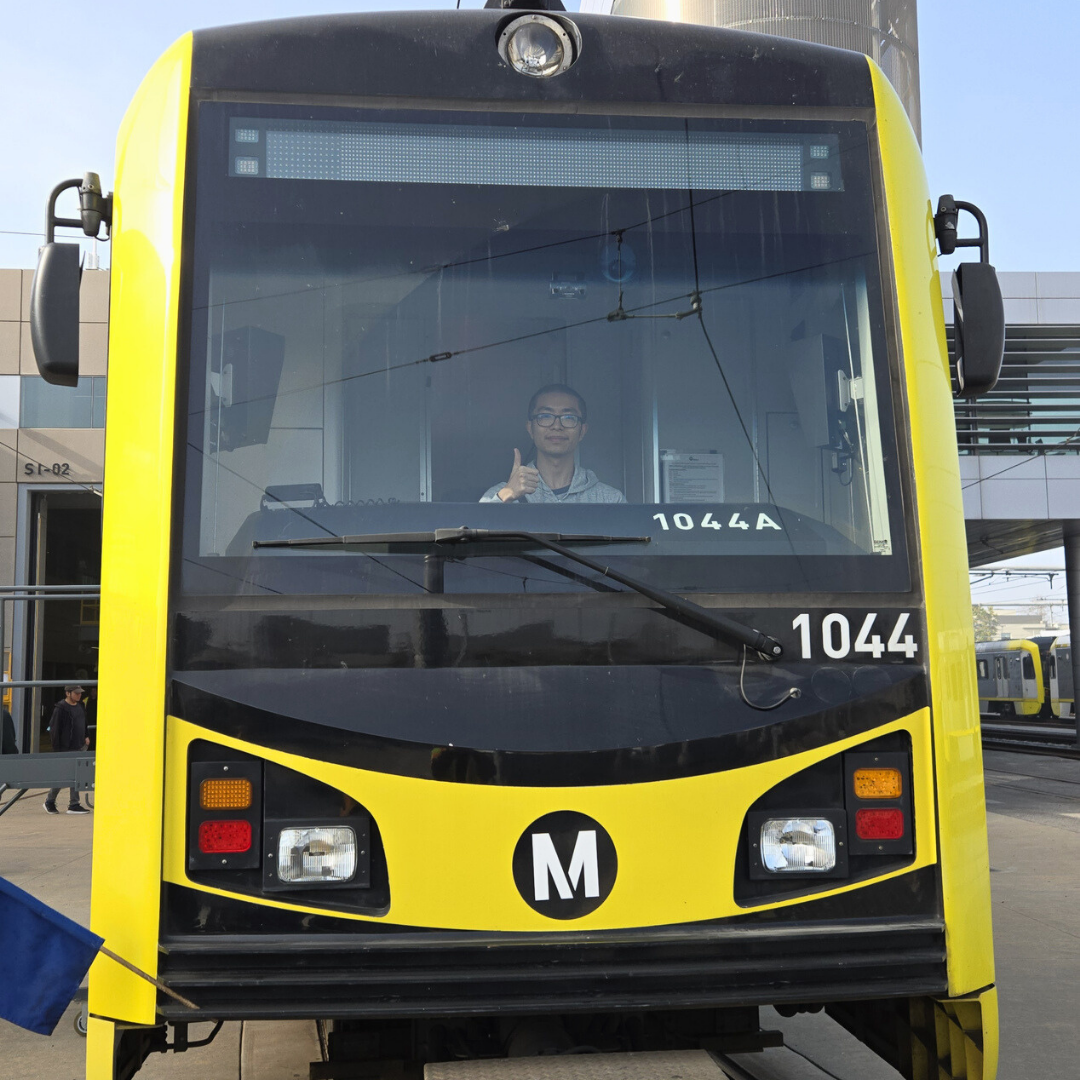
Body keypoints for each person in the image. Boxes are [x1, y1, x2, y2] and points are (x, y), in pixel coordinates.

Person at [480, 384, 626, 504]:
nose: (557, 426)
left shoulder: (610, 500)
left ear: (582, 431)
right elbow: (474, 533)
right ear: (530, 428)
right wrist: (507, 496)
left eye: (568, 417)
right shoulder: (502, 494)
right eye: (545, 416)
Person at [44, 685, 90, 815]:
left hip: (79, 746)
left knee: (77, 776)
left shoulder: (80, 706)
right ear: (68, 693)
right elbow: (54, 730)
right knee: (63, 776)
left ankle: (74, 804)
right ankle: (50, 801)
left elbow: (84, 722)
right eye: (76, 693)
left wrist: (86, 735)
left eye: (80, 693)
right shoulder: (61, 709)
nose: (79, 695)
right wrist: (58, 750)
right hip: (65, 748)